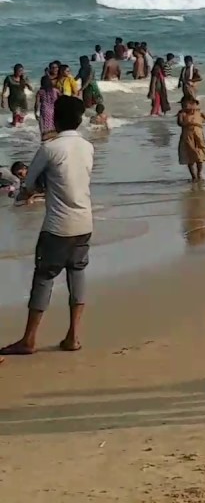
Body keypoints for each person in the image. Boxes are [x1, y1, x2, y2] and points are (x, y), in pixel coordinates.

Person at [1, 95, 94, 359]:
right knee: (77, 275)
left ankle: (29, 339)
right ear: (78, 119)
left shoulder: (49, 148)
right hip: (85, 221)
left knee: (43, 278)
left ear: (54, 119)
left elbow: (28, 185)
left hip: (58, 225)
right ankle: (73, 336)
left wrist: (24, 196)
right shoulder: (88, 146)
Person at [177, 96, 205, 182]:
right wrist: (187, 121)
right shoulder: (182, 114)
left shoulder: (199, 112)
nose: (184, 107)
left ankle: (199, 173)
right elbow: (180, 123)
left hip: (198, 135)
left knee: (200, 154)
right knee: (189, 156)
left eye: (186, 105)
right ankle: (193, 176)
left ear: (193, 104)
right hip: (187, 136)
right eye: (183, 105)